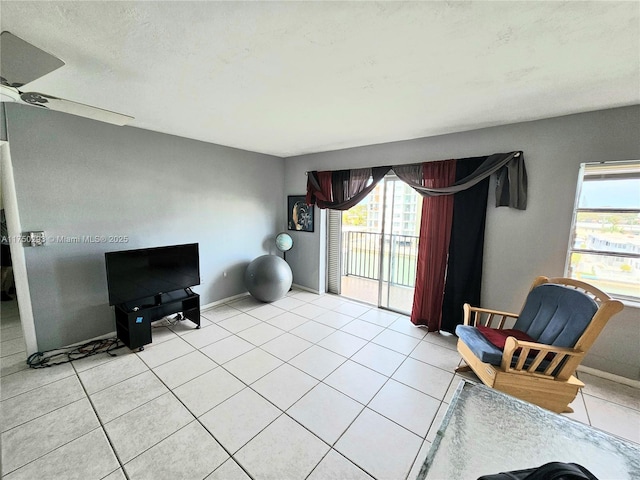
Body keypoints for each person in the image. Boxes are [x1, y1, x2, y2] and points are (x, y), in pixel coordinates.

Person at [1, 209, 14, 301]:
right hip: (4, 243)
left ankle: (12, 287)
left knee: (11, 267)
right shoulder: (4, 212)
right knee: (5, 268)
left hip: (12, 243)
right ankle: (1, 291)